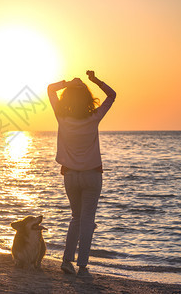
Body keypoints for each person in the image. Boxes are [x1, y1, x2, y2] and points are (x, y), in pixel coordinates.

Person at [47, 71, 116, 277]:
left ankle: (67, 261)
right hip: (92, 175)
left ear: (67, 98)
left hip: (71, 176)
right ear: (87, 98)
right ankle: (83, 266)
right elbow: (112, 95)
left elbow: (50, 89)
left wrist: (67, 83)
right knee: (87, 220)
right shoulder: (94, 117)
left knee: (76, 219)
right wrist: (95, 81)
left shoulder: (62, 117)